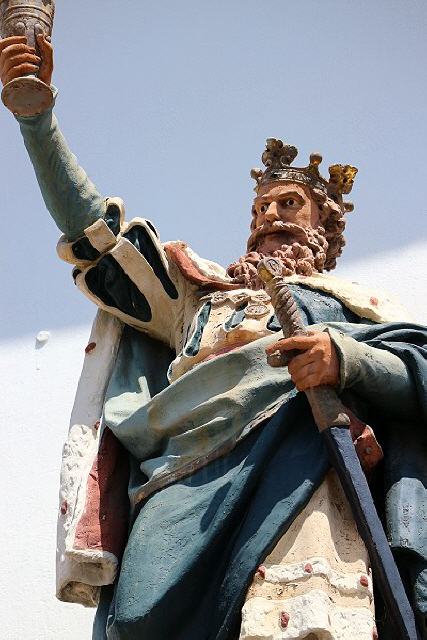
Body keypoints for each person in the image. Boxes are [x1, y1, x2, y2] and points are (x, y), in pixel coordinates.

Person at [1, 34, 426, 640]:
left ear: (325, 233)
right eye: (260, 209)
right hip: (179, 483)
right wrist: (37, 121)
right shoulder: (196, 296)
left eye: (288, 204)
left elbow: (419, 370)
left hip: (301, 466)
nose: (269, 217)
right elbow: (97, 235)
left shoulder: (358, 309)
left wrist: (346, 359)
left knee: (299, 619)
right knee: (140, 620)